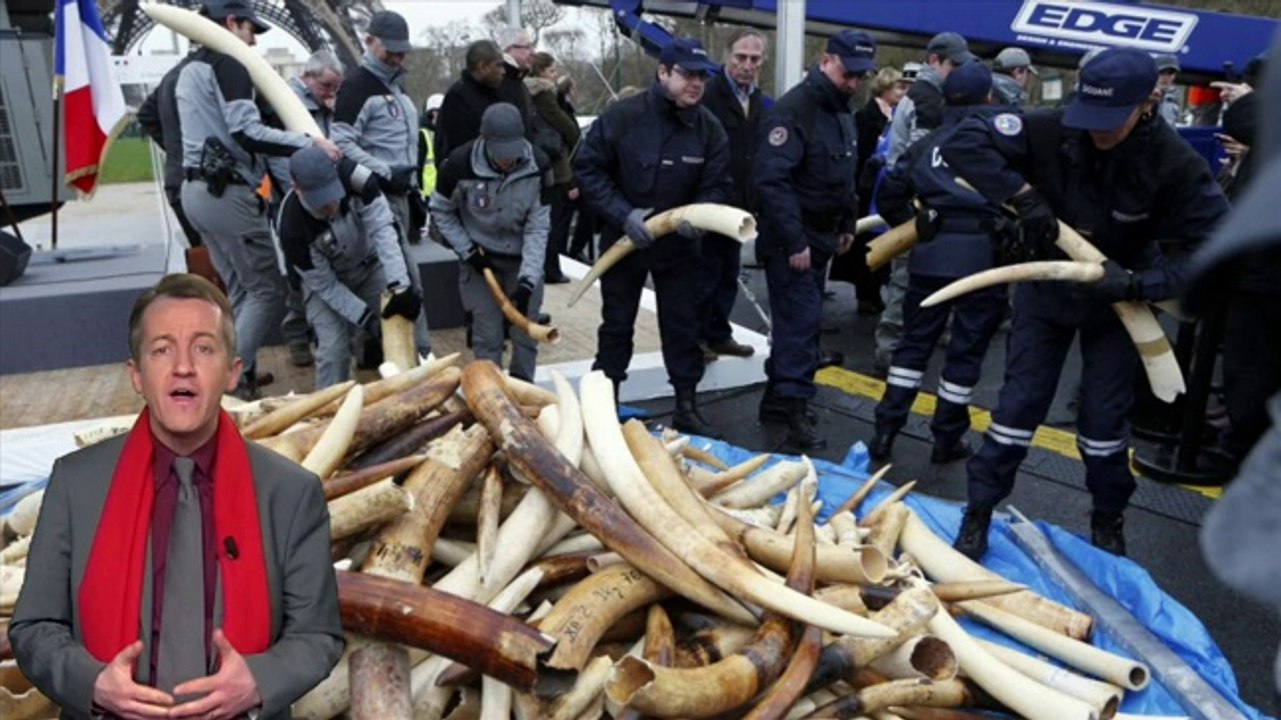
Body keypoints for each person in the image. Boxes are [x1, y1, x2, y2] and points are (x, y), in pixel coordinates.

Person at [9, 273, 343, 719]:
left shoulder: (291, 493)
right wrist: (93, 684)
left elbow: (318, 636)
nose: (183, 366)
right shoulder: (75, 484)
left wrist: (260, 680)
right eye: (162, 349)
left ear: (232, 372)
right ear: (137, 375)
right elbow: (34, 628)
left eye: (203, 348)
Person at [943, 48, 1229, 559]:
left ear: (1148, 103)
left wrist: (1139, 284)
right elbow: (964, 140)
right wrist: (1024, 196)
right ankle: (979, 510)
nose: (1097, 131)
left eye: (1111, 120)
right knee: (1016, 407)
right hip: (1045, 288)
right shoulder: (1052, 128)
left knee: (1103, 424)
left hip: (1119, 305)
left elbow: (1213, 249)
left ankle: (1107, 520)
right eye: (1089, 117)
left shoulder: (1174, 162)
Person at [176, 0, 341, 400]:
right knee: (266, 291)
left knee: (239, 292)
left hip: (196, 191)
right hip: (228, 192)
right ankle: (219, 387)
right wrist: (308, 142)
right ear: (232, 23)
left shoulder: (188, 71)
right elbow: (247, 132)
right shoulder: (230, 64)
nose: (252, 40)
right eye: (251, 30)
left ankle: (233, 379)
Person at [575, 37, 731, 435]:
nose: (696, 84)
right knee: (616, 325)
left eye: (702, 77)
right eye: (687, 75)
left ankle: (685, 405)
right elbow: (588, 169)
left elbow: (717, 185)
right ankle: (605, 402)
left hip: (680, 246)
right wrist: (622, 214)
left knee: (683, 325)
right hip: (624, 243)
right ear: (663, 73)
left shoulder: (709, 129)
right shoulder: (624, 117)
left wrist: (697, 216)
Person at [870, 60, 1008, 465]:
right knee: (964, 354)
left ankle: (885, 430)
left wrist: (916, 225)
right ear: (989, 97)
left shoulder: (926, 145)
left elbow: (890, 192)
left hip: (930, 257)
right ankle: (947, 438)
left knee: (913, 346)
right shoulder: (1003, 143)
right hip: (985, 260)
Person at [753, 30, 877, 451]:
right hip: (794, 239)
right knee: (800, 328)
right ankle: (792, 418)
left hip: (822, 235)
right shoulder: (795, 110)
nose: (854, 83)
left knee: (798, 325)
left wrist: (846, 223)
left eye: (860, 77)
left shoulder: (841, 110)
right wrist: (794, 242)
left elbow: (845, 175)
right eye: (848, 74)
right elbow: (772, 181)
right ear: (826, 61)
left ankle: (776, 402)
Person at [875, 31, 977, 375]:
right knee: (905, 276)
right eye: (954, 64)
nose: (959, 71)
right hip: (914, 201)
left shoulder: (936, 95)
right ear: (934, 61)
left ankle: (921, 338)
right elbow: (924, 160)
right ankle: (889, 349)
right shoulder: (925, 98)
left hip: (922, 199)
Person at [331, 10, 431, 359]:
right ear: (369, 41)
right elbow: (340, 144)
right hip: (377, 196)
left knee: (390, 276)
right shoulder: (357, 87)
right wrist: (387, 172)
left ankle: (379, 351)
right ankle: (419, 356)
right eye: (391, 50)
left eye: (402, 51)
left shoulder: (392, 83)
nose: (398, 57)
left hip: (399, 194)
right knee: (405, 279)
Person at [278, 147, 422, 388]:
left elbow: (383, 230)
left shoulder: (358, 178)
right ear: (296, 187)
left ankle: (414, 396)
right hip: (327, 284)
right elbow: (327, 287)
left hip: (369, 264)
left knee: (402, 322)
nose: (330, 205)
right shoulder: (291, 228)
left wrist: (400, 286)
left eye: (332, 194)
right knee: (334, 349)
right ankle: (328, 413)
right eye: (320, 200)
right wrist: (367, 318)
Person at [431, 103, 550, 382]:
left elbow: (538, 226)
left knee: (526, 334)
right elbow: (441, 211)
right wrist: (468, 252)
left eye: (512, 153)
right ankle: (491, 391)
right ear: (485, 140)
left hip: (521, 259)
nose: (508, 161)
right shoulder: (458, 165)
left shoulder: (539, 166)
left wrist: (528, 280)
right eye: (501, 154)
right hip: (479, 261)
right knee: (487, 336)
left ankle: (524, 391)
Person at [265, 49, 346, 371]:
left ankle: (323, 333)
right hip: (297, 198)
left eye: (335, 88)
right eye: (327, 85)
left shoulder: (326, 105)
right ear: (308, 77)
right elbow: (279, 153)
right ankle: (298, 334)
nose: (331, 93)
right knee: (301, 271)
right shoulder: (284, 103)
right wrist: (300, 195)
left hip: (323, 195)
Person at [697, 29, 769, 359]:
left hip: (741, 203)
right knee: (703, 272)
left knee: (728, 271)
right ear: (727, 57)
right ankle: (696, 337)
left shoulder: (758, 102)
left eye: (754, 59)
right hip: (708, 200)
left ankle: (718, 333)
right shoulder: (707, 97)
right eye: (741, 57)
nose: (747, 65)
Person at [838, 66, 908, 314]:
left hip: (887, 186)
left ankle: (877, 288)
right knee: (866, 241)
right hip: (868, 189)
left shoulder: (899, 114)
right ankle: (867, 294)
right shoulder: (866, 117)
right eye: (899, 87)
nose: (903, 92)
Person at [525, 52, 581, 285]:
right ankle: (551, 269)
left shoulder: (527, 94)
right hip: (555, 167)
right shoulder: (545, 95)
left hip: (542, 164)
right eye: (551, 70)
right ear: (540, 73)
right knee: (555, 224)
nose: (555, 75)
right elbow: (567, 127)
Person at [137, 53, 203, 249]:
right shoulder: (205, 73)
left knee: (204, 257)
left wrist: (174, 149)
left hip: (177, 179)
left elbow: (146, 114)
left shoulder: (172, 76)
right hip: (203, 182)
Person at [436, 40, 507, 162]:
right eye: (498, 65)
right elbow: (456, 146)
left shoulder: (497, 93)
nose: (503, 71)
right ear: (483, 66)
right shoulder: (457, 98)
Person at [419, 93, 444, 199]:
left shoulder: (445, 135)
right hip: (427, 195)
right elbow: (418, 167)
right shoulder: (423, 135)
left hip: (442, 194)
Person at [1154, 54, 1181, 127]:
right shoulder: (1144, 96)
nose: (1166, 77)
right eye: (1161, 72)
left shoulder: (1175, 97)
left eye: (1170, 73)